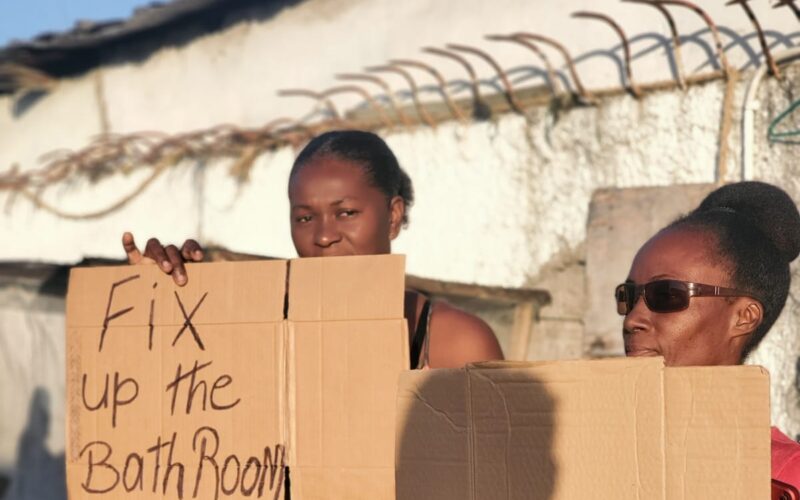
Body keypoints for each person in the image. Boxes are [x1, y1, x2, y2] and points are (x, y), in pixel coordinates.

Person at [123, 130, 504, 369]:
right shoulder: (259, 333)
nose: (324, 236)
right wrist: (159, 302)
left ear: (392, 215)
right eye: (305, 218)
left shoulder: (458, 345)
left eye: (346, 213)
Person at [615, 181, 800, 488]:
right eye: (629, 295)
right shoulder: (589, 452)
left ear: (743, 317)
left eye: (666, 294)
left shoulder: (785, 479)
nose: (633, 318)